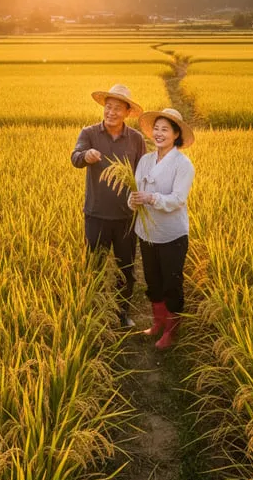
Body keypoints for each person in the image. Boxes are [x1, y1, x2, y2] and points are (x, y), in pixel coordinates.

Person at [71, 84, 146, 327]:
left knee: (126, 268)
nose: (111, 112)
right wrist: (86, 156)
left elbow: (144, 172)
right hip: (96, 214)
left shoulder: (135, 139)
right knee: (95, 265)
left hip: (126, 216)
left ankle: (122, 313)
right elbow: (75, 157)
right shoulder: (89, 133)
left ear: (127, 112)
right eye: (108, 107)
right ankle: (95, 312)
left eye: (117, 109)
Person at [128, 108, 195, 350]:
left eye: (165, 129)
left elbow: (177, 199)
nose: (158, 133)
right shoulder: (145, 160)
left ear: (176, 134)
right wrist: (133, 200)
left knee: (171, 283)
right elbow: (134, 191)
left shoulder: (183, 165)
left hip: (172, 235)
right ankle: (158, 322)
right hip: (146, 232)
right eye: (156, 128)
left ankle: (171, 330)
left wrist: (152, 198)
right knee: (153, 281)